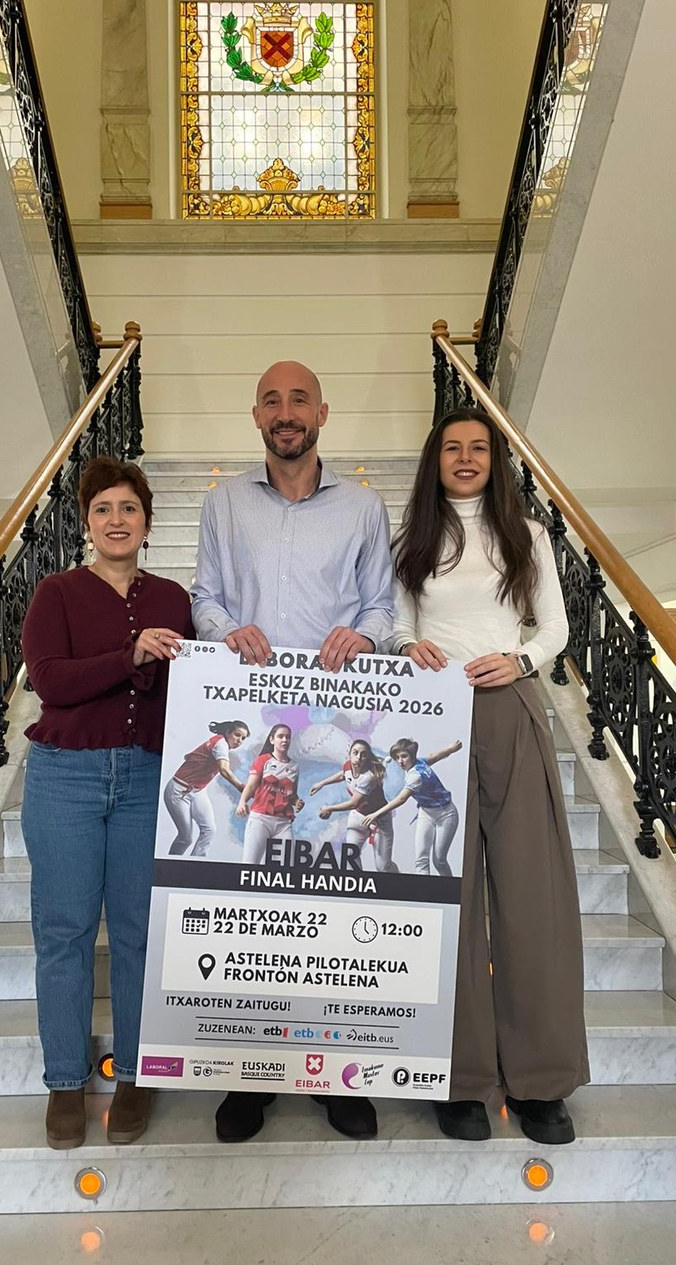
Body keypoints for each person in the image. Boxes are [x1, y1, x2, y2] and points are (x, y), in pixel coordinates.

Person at [192, 359, 394, 1144]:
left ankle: (337, 1073)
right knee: (256, 906)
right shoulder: (222, 504)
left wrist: (367, 634)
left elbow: (380, 601)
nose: (286, 412)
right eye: (272, 400)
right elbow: (206, 594)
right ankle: (251, 1076)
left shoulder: (366, 507)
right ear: (255, 416)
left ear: (323, 413)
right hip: (252, 711)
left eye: (299, 399)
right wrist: (222, 628)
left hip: (337, 721)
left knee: (329, 904)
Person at [392, 406, 589, 1147]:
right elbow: (394, 620)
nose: (466, 458)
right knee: (450, 897)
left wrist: (521, 660)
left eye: (479, 447)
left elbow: (556, 627)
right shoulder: (411, 539)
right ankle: (460, 1077)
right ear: (435, 459)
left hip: (509, 710)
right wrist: (409, 646)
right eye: (453, 447)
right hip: (432, 720)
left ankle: (541, 1080)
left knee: (529, 897)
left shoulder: (526, 534)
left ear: (493, 461)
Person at [21, 457, 192, 1151]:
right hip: (65, 776)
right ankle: (65, 1079)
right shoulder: (56, 592)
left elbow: (185, 692)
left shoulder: (175, 599)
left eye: (128, 508)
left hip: (148, 777)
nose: (116, 520)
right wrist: (131, 656)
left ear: (147, 523)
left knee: (138, 931)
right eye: (103, 509)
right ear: (86, 522)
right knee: (62, 930)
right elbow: (49, 681)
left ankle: (135, 1074)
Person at [367, 737, 463, 875]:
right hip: (426, 813)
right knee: (421, 860)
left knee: (439, 860)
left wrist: (375, 814)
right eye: (397, 757)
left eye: (404, 756)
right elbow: (434, 756)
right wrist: (451, 749)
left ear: (412, 755)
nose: (400, 761)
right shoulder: (419, 762)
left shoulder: (415, 775)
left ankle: (449, 892)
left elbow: (401, 798)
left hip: (446, 814)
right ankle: (424, 893)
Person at [309, 738, 398, 872]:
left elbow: (353, 803)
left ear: (368, 758)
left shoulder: (369, 777)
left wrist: (329, 808)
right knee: (350, 855)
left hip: (379, 819)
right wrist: (321, 783)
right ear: (350, 755)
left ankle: (398, 882)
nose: (358, 757)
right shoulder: (348, 766)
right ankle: (360, 887)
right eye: (355, 753)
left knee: (383, 867)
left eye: (363, 754)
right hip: (358, 817)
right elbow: (343, 775)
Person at [163, 719, 250, 855]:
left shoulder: (223, 745)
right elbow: (224, 770)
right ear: (228, 732)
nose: (239, 740)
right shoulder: (220, 744)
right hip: (178, 791)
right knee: (185, 838)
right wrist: (240, 786)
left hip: (198, 791)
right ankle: (171, 867)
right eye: (237, 735)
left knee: (209, 830)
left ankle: (194, 866)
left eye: (243, 738)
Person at [237, 723, 303, 863]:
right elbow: (251, 786)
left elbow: (291, 795)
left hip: (284, 823)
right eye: (280, 736)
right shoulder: (263, 760)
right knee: (249, 865)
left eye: (288, 737)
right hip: (261, 820)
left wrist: (296, 801)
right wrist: (242, 802)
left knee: (285, 868)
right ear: (272, 740)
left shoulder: (294, 767)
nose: (285, 740)